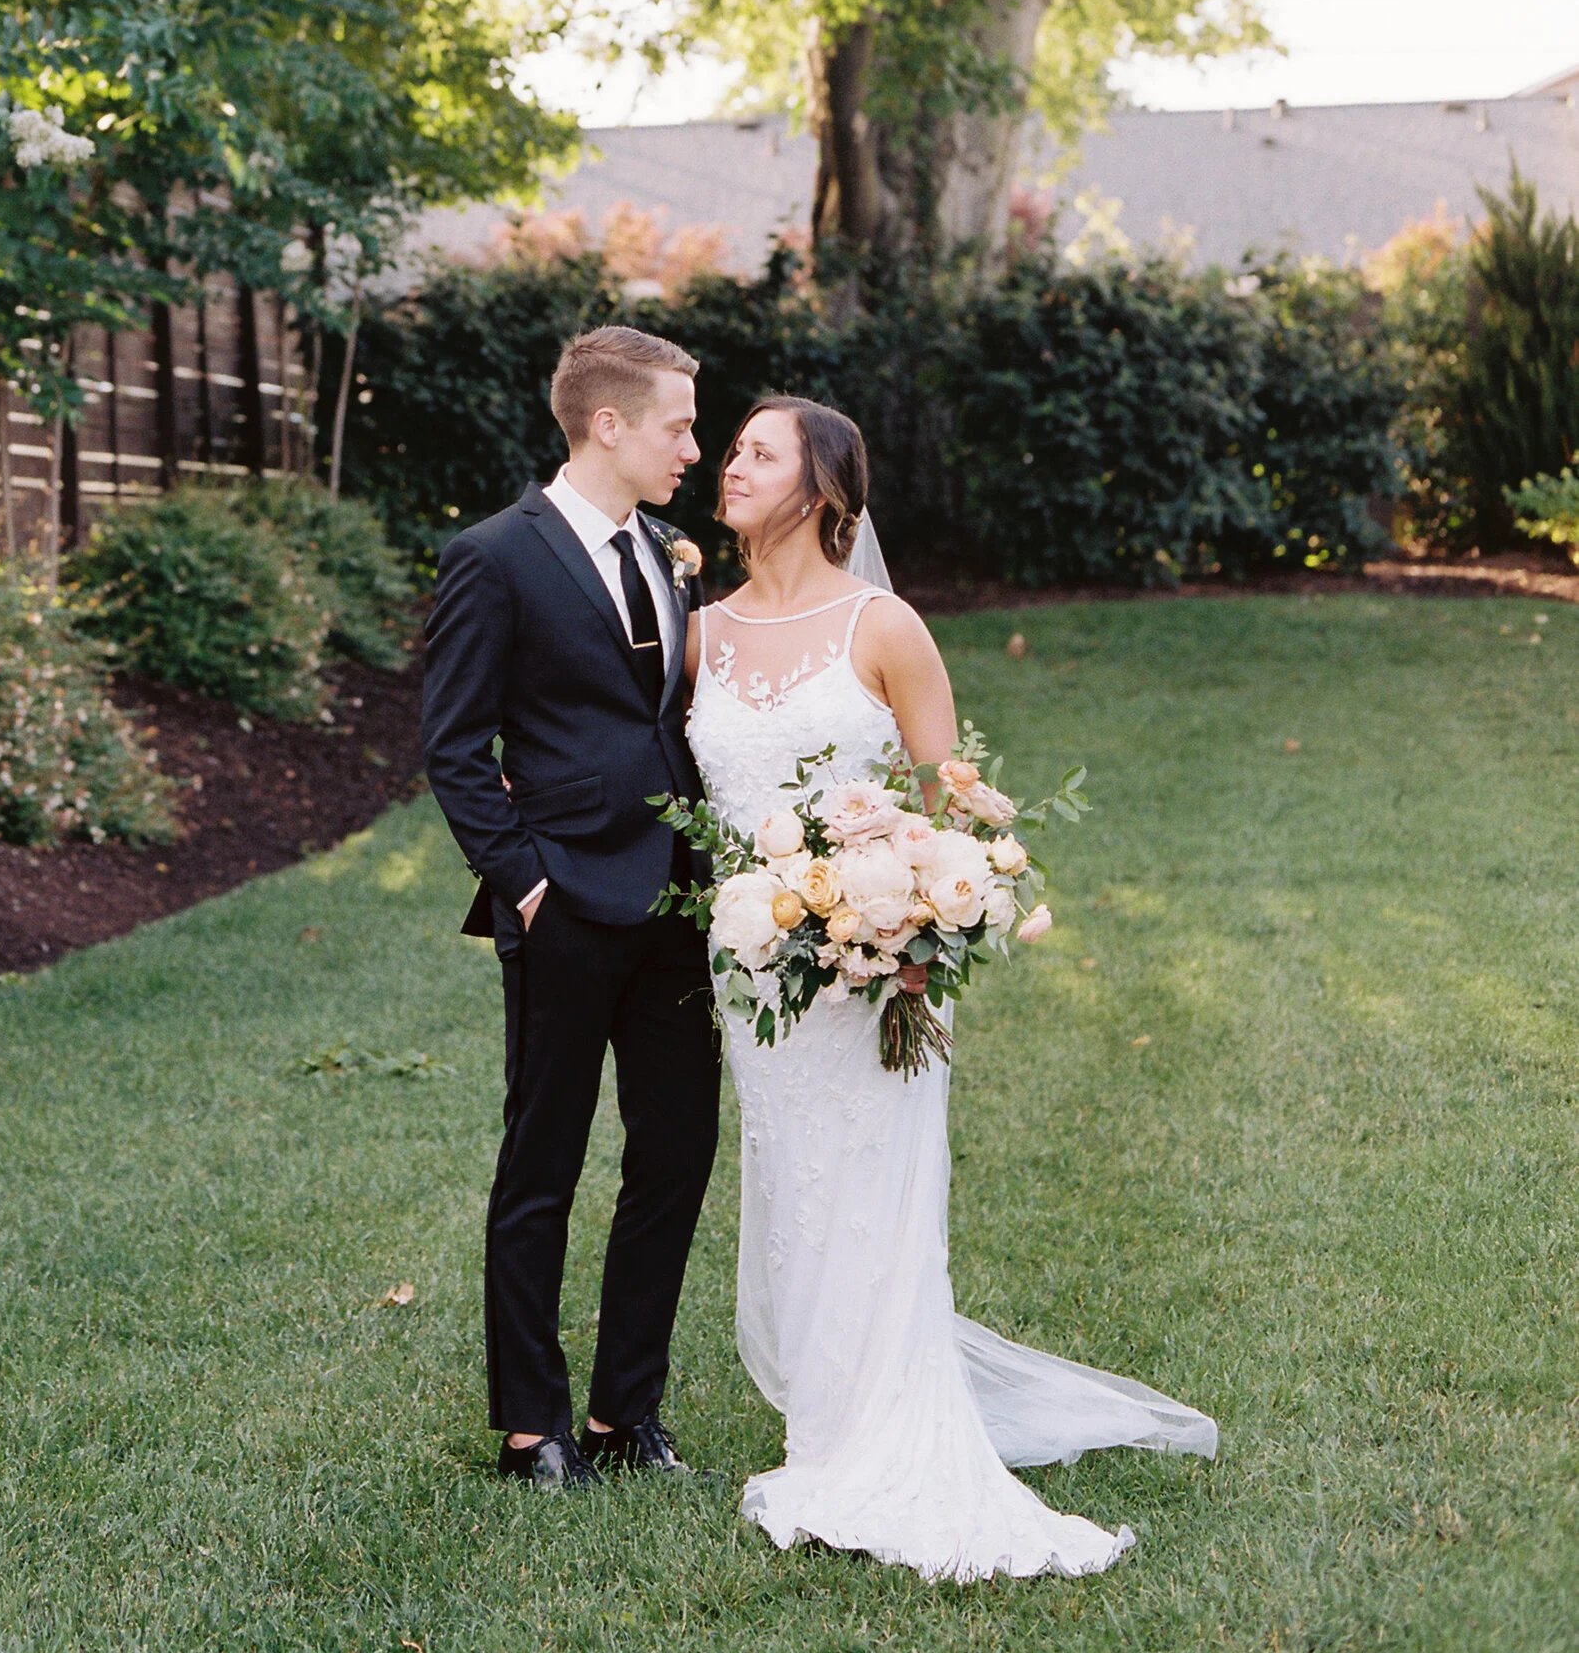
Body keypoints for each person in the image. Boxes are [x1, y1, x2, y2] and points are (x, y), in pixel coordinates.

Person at [691, 393, 1218, 1580]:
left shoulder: (884, 626)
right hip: (752, 969)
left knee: (871, 1186)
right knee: (790, 1180)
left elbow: (957, 811)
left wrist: (905, 926)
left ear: (821, 489)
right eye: (728, 449)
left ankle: (871, 1434)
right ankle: (822, 1417)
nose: (729, 466)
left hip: (872, 971)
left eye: (757, 453)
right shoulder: (701, 632)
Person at [420, 323, 724, 1490]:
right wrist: (528, 881)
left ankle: (624, 1413)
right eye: (677, 425)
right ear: (608, 423)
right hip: (564, 906)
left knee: (676, 1154)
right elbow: (453, 744)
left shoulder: (668, 550)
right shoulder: (494, 555)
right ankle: (531, 1423)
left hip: (678, 905)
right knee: (541, 1159)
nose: (692, 447)